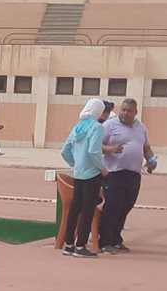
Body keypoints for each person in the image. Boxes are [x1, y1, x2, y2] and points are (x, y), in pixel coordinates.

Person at [59, 98, 124, 258]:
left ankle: (69, 245)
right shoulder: (96, 127)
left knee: (75, 209)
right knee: (88, 210)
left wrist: (76, 164)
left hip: (78, 174)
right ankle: (81, 246)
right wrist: (103, 169)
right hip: (92, 175)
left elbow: (65, 151)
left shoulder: (77, 127)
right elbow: (94, 152)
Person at [99, 98, 156, 253]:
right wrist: (111, 149)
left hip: (133, 174)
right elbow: (96, 145)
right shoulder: (109, 125)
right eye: (123, 110)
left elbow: (146, 147)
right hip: (114, 173)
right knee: (112, 206)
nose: (124, 113)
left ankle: (116, 239)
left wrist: (151, 160)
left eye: (129, 111)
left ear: (135, 112)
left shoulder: (141, 127)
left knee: (125, 207)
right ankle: (105, 241)